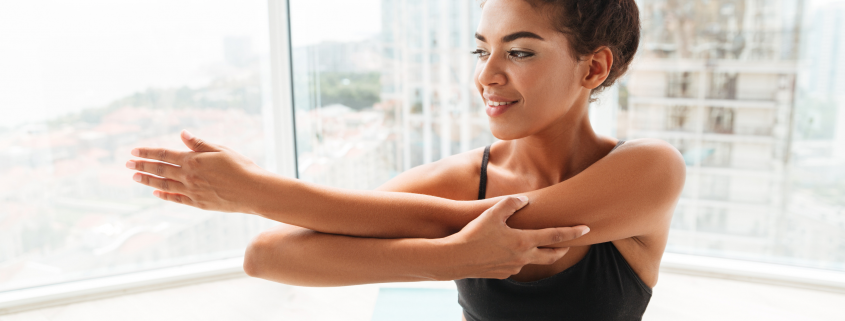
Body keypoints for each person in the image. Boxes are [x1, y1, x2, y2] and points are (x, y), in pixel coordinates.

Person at [125, 0, 685, 319]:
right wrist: (447, 260)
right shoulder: (462, 178)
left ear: (593, 69)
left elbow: (486, 222)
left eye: (518, 52)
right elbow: (267, 256)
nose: (487, 75)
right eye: (481, 50)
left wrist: (259, 190)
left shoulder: (651, 169)